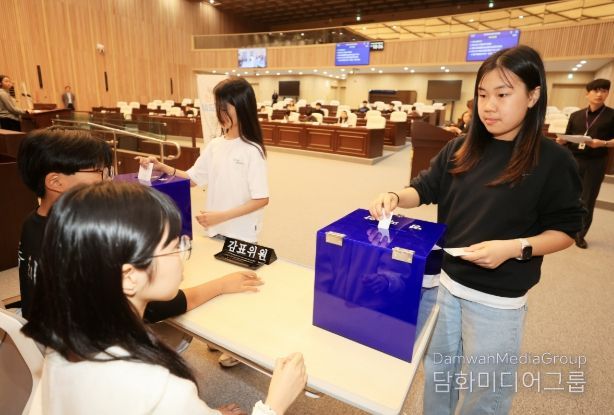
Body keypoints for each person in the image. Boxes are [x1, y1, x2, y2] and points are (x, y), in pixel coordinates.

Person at [369, 45, 584, 415]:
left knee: (486, 391)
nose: (489, 106)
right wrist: (394, 196)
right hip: (444, 285)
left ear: (533, 96)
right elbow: (424, 188)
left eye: (503, 94)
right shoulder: (460, 147)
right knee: (439, 374)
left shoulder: (553, 160)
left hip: (497, 299)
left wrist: (514, 247)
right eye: (483, 95)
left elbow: (566, 230)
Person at [22, 182, 307, 415]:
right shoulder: (157, 385)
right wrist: (273, 405)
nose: (184, 252)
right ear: (129, 276)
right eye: (173, 246)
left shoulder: (66, 338)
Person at [17, 128, 262, 325]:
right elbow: (157, 306)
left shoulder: (33, 223)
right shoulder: (85, 245)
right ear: (55, 181)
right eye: (99, 171)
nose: (108, 179)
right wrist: (221, 285)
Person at [137, 77, 269, 367]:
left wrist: (221, 216)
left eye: (224, 107)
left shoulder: (252, 151)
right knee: (217, 284)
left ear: (241, 107)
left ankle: (237, 347)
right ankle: (221, 338)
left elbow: (261, 199)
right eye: (218, 106)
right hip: (214, 229)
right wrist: (163, 167)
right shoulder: (215, 145)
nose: (219, 112)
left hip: (240, 232)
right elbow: (193, 178)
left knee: (238, 287)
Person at [556, 79, 614, 249]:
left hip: (596, 162)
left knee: (588, 199)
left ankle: (580, 235)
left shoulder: (612, 115)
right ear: (587, 94)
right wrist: (562, 140)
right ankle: (563, 227)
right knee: (567, 195)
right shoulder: (576, 115)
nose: (600, 94)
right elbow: (567, 136)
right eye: (596, 90)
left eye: (604, 91)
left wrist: (603, 143)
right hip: (574, 160)